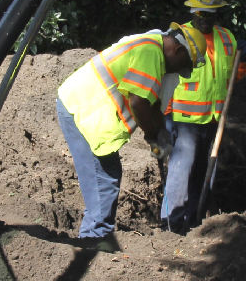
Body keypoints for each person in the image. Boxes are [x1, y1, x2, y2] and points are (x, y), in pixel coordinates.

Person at [56, 23, 205, 240]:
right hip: (82, 110)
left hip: (82, 108)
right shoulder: (150, 52)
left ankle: (95, 236)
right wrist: (153, 135)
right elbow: (139, 102)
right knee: (104, 179)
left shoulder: (154, 47)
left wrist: (160, 137)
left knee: (108, 175)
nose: (180, 72)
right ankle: (94, 240)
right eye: (183, 65)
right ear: (178, 50)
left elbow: (152, 102)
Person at [160, 0, 246, 234]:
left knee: (203, 171)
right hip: (184, 119)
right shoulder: (179, 37)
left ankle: (193, 222)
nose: (205, 19)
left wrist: (244, 59)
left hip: (213, 121)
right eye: (200, 13)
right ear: (192, 11)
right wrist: (165, 116)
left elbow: (236, 75)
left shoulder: (227, 39)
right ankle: (170, 224)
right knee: (182, 168)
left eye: (210, 14)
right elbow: (164, 75)